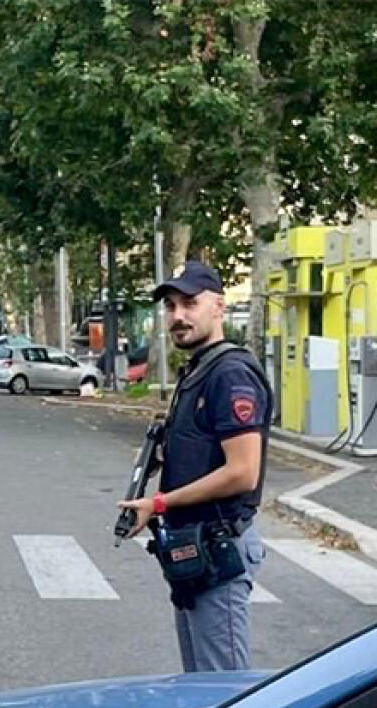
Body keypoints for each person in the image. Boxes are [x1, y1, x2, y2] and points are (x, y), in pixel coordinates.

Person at [118, 261, 272, 672]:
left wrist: (159, 504)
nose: (178, 316)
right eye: (171, 306)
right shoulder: (199, 370)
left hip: (218, 549)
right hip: (193, 551)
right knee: (199, 688)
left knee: (224, 689)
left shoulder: (230, 374)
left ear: (219, 306)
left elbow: (243, 472)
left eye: (190, 303)